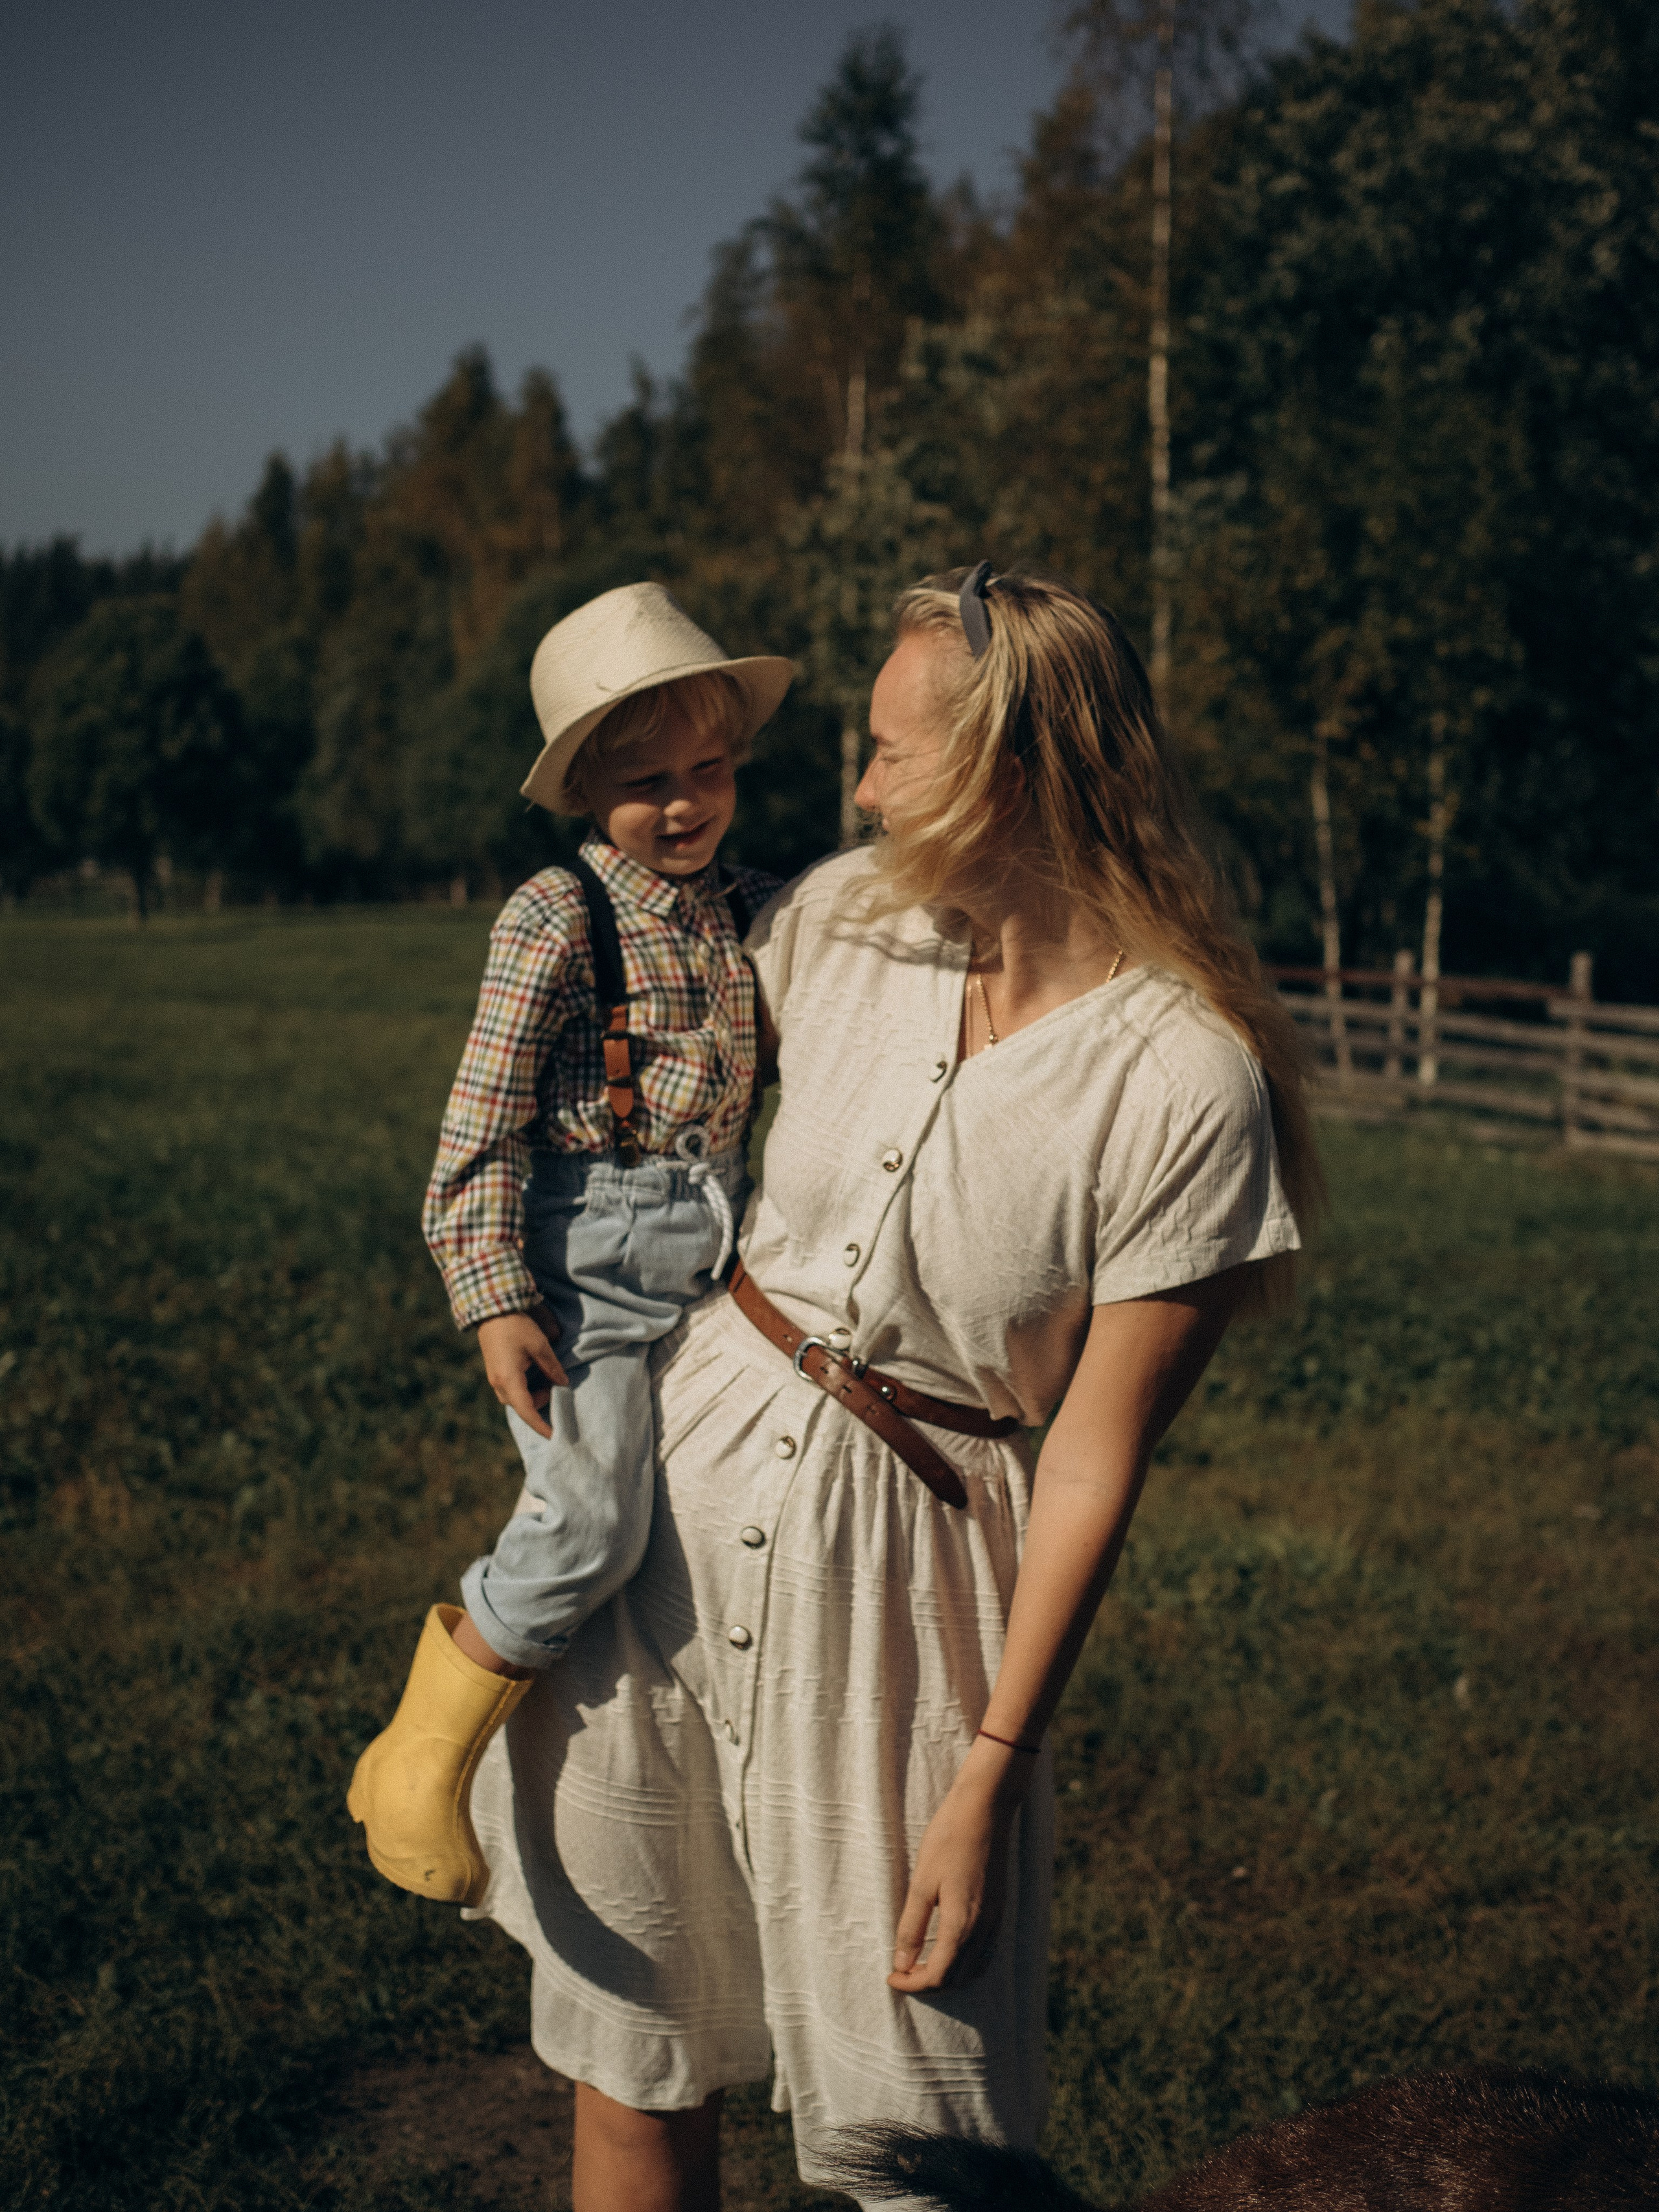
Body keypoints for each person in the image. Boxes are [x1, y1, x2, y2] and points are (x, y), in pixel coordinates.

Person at [456, 565, 1321, 2211]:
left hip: (910, 1599)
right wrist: (506, 1257)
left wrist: (988, 1772)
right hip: (665, 1524)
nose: (852, 791)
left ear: (1012, 772)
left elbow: (1088, 1462)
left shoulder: (1181, 1078)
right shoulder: (842, 920)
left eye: (889, 753)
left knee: (912, 2139)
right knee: (636, 2054)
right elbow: (613, 1019)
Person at [347, 582, 792, 1906]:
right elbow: (476, 1131)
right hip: (586, 1263)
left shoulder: (750, 907)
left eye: (707, 769)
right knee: (591, 1516)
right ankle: (419, 1754)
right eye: (646, 780)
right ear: (584, 787)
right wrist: (494, 1299)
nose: (684, 802)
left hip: (718, 1247)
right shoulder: (553, 920)